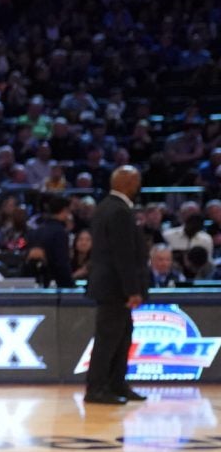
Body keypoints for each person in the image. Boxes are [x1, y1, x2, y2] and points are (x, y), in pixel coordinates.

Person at [84, 166, 149, 405]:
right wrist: (132, 290)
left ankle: (116, 383)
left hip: (111, 285)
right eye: (137, 181)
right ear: (127, 182)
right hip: (115, 287)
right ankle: (97, 388)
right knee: (109, 338)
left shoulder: (106, 207)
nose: (138, 186)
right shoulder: (119, 210)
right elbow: (123, 254)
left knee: (122, 336)